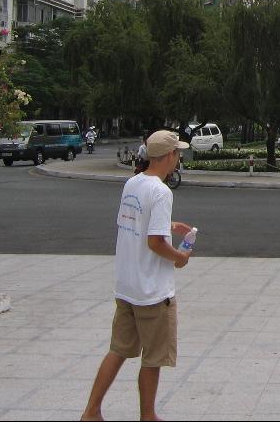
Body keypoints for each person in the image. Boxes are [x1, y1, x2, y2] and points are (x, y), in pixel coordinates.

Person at [82, 130, 193, 422]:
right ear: (169, 156)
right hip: (152, 290)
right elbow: (155, 243)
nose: (179, 158)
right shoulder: (161, 190)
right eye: (177, 153)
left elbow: (132, 223)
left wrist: (168, 224)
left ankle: (91, 411)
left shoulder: (133, 182)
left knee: (118, 350)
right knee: (153, 358)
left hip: (126, 286)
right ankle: (148, 415)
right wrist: (180, 258)